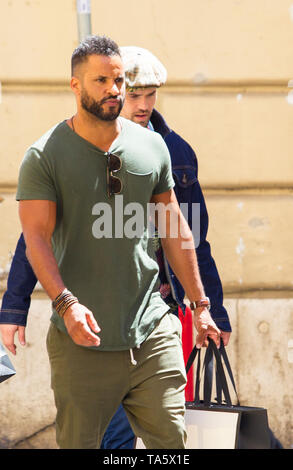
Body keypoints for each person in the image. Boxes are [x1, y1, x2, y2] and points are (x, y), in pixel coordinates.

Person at [0, 35, 220, 449]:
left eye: (119, 80)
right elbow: (34, 239)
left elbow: (177, 230)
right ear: (75, 85)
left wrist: (203, 306)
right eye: (101, 80)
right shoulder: (45, 155)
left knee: (172, 446)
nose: (114, 90)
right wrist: (58, 304)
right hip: (84, 341)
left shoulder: (156, 147)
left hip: (153, 329)